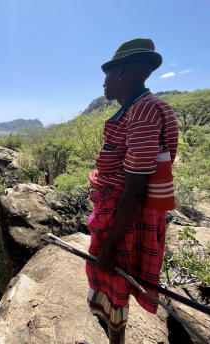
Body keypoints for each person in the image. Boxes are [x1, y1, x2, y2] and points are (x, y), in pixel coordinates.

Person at [81, 38, 179, 344]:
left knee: (115, 282)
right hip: (120, 211)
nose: (103, 84)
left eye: (107, 75)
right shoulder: (138, 108)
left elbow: (136, 189)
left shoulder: (144, 112)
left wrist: (110, 246)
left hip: (127, 218)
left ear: (125, 72)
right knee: (113, 285)